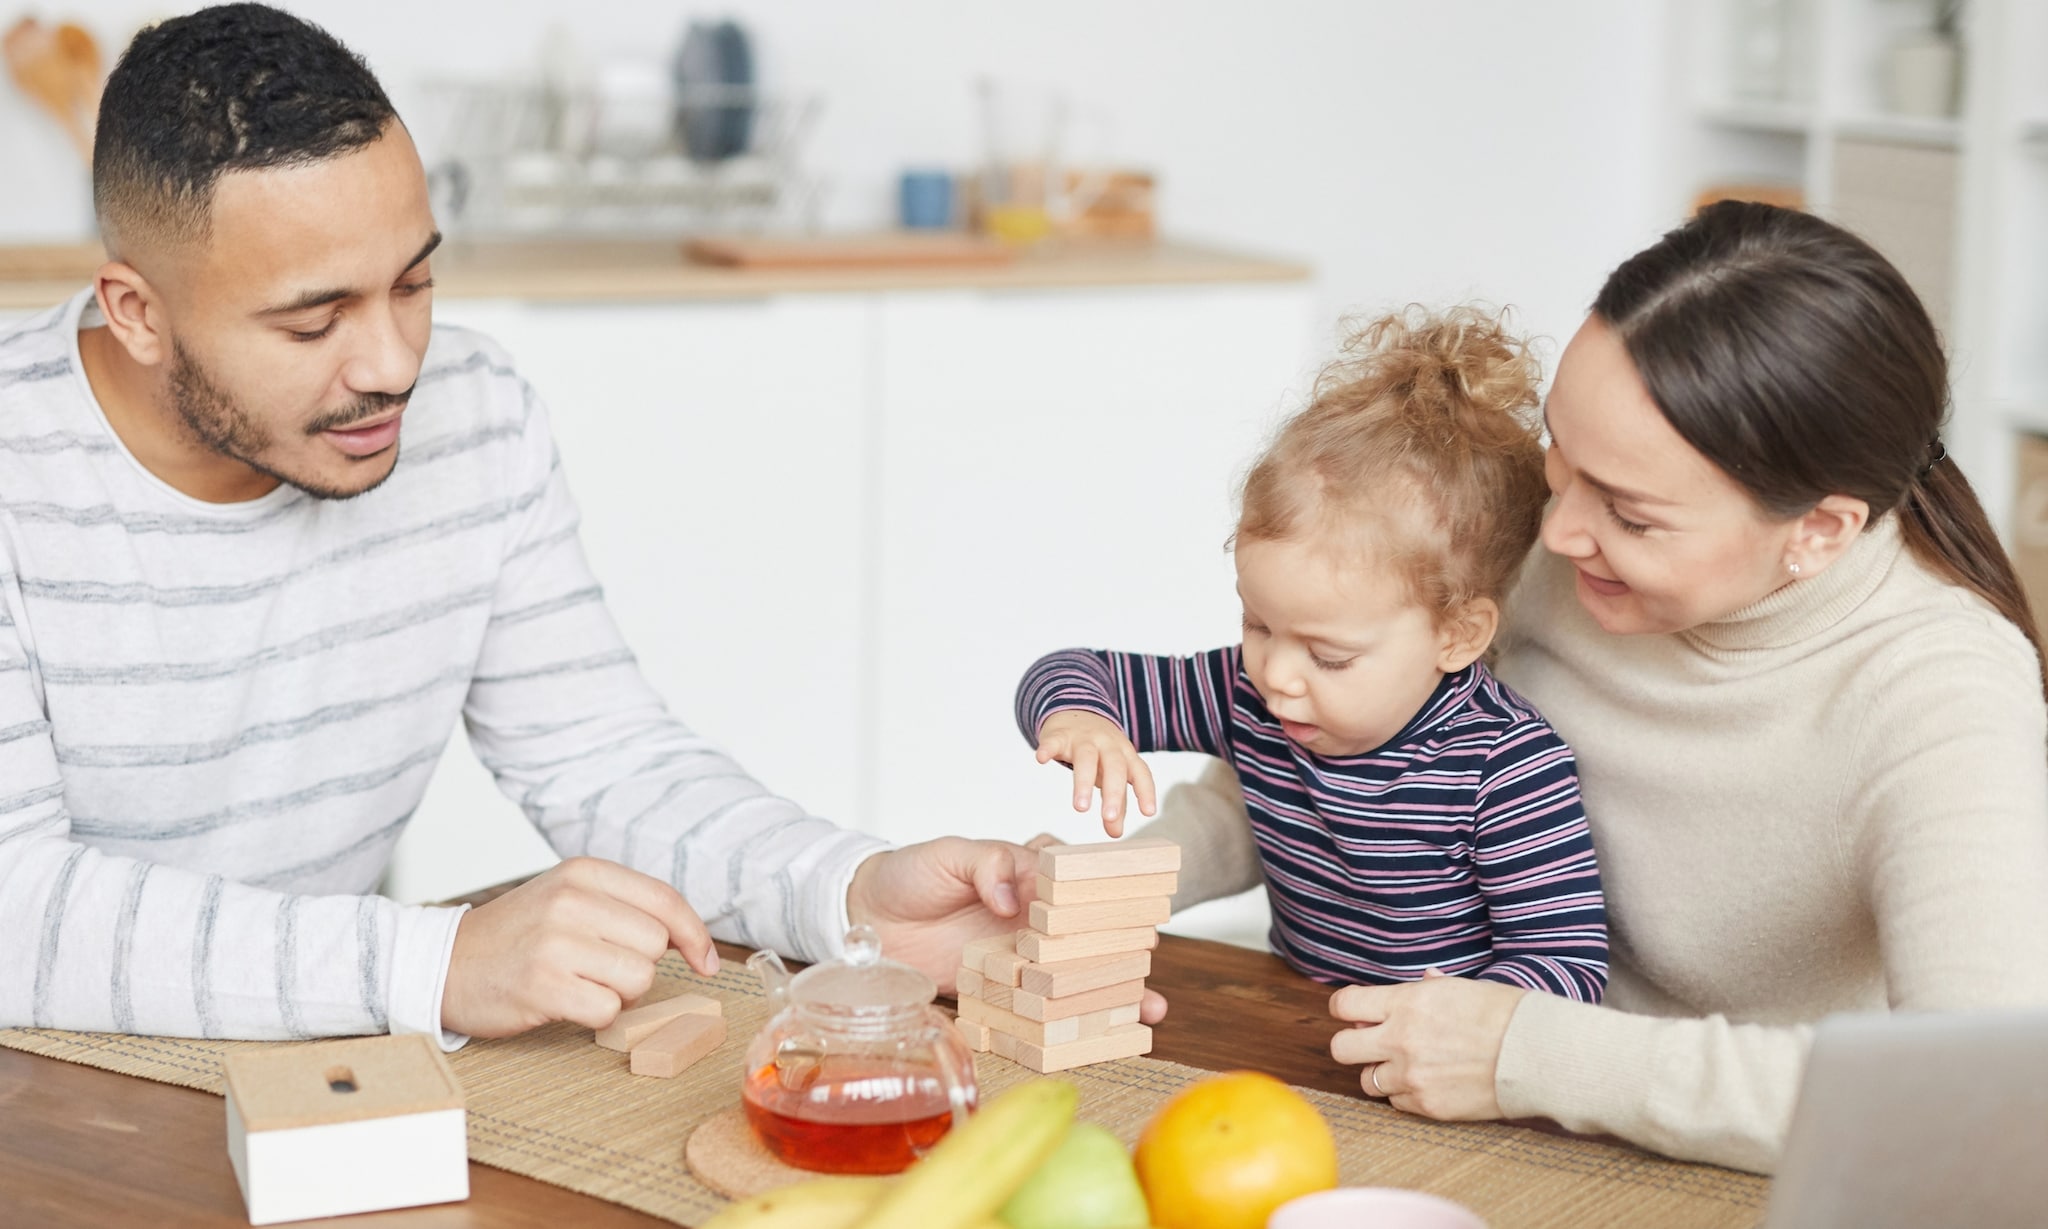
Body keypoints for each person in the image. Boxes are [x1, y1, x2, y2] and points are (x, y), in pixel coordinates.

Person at [0, 3, 1052, 1048]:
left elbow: (601, 759)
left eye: (413, 282)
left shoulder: (476, 411)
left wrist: (850, 897)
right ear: (136, 311)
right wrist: (438, 961)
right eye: (314, 320)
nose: (393, 364)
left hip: (321, 1072)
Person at [1138, 202, 2048, 1173]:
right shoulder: (1554, 549)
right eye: (1557, 459)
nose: (1558, 532)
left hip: (1747, 1177)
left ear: (1818, 530)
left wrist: (1528, 1052)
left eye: (1629, 513)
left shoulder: (1940, 694)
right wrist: (1085, 891)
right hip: (1482, 1118)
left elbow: (1978, 1096)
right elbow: (1315, 764)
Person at [1015, 307, 1608, 1003]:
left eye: (1328, 656)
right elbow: (1070, 670)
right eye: (1257, 622)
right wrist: (1081, 718)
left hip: (1440, 1072)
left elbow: (1566, 966)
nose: (1277, 675)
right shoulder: (1244, 694)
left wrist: (1461, 1026)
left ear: (1458, 634)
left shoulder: (1505, 766)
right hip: (1299, 1022)